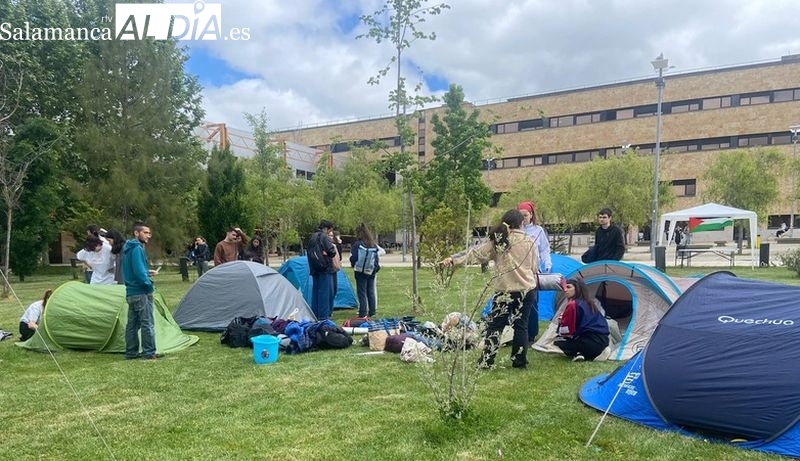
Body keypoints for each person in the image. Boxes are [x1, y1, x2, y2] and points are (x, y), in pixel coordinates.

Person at [440, 209, 538, 369]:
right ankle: (519, 361)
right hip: (527, 290)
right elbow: (534, 267)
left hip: (505, 291)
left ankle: (487, 361)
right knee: (521, 326)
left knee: (496, 326)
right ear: (521, 223)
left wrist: (454, 261)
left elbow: (476, 254)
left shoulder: (499, 240)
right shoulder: (530, 241)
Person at [122, 221, 158, 360]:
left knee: (132, 324)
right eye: (146, 232)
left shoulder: (127, 248)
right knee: (147, 323)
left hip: (130, 292)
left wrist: (147, 272)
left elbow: (132, 270)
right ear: (137, 233)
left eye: (149, 233)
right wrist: (149, 285)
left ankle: (131, 352)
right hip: (141, 292)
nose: (148, 236)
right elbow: (138, 272)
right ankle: (149, 352)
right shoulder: (137, 248)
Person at [554, 278, 610, 362]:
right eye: (564, 287)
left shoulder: (573, 304)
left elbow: (567, 331)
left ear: (577, 288)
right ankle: (587, 353)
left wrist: (560, 323)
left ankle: (583, 353)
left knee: (558, 340)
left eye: (568, 287)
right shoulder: (590, 303)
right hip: (604, 339)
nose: (565, 290)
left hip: (589, 341)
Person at [518, 201, 550, 344]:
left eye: (525, 215)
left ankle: (531, 334)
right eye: (521, 216)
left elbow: (544, 249)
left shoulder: (538, 231)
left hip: (532, 271)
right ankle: (516, 332)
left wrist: (547, 264)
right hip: (517, 271)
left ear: (531, 215)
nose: (523, 218)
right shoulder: (514, 230)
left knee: (532, 302)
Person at [307, 220, 337, 320]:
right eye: (330, 230)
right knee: (325, 293)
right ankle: (324, 316)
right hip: (325, 268)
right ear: (327, 228)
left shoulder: (312, 237)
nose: (329, 233)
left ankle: (315, 314)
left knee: (316, 292)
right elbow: (332, 251)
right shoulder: (323, 237)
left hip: (314, 268)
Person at [350, 223, 381, 318]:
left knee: (361, 292)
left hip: (360, 271)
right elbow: (376, 258)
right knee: (370, 290)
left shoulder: (357, 244)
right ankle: (372, 311)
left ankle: (363, 312)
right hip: (371, 270)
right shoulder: (373, 244)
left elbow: (354, 257)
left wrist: (353, 264)